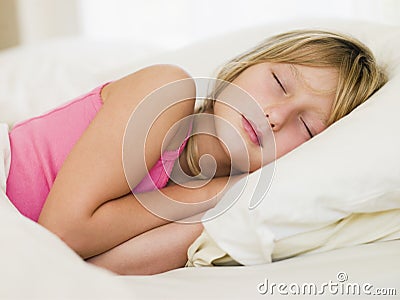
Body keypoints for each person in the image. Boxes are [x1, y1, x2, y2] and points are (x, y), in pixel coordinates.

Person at [5, 30, 387, 275]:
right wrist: (193, 194)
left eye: (306, 128)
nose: (275, 115)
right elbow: (62, 233)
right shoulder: (167, 90)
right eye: (279, 82)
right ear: (244, 67)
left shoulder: (219, 207)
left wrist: (207, 202)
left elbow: (87, 274)